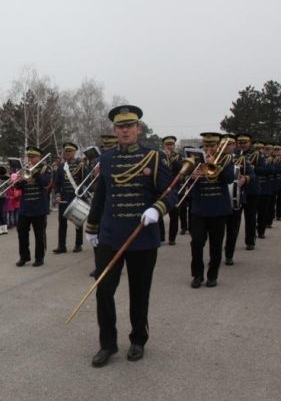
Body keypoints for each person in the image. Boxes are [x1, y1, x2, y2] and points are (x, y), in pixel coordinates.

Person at [84, 105, 177, 367]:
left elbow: (170, 193)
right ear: (115, 130)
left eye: (130, 126)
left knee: (139, 292)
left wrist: (157, 209)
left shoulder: (155, 158)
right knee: (103, 291)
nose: (125, 130)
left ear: (138, 128)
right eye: (120, 127)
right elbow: (101, 196)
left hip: (142, 237)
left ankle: (138, 339)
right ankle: (107, 344)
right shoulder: (107, 159)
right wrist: (92, 227)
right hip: (111, 236)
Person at [187, 133, 235, 288]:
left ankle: (212, 275)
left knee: (215, 245)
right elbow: (185, 180)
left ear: (218, 146)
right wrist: (192, 176)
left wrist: (213, 164)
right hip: (199, 209)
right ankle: (197, 275)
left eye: (212, 146)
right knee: (196, 243)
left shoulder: (226, 159)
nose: (209, 149)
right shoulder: (196, 160)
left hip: (218, 209)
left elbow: (228, 179)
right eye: (206, 146)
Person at [15, 146, 52, 267]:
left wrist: (35, 172)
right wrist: (18, 182)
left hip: (39, 207)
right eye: (28, 157)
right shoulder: (24, 169)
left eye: (32, 157)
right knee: (21, 233)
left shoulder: (45, 169)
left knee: (39, 234)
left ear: (39, 157)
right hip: (25, 207)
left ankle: (39, 258)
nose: (30, 159)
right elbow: (19, 188)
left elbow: (45, 183)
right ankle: (24, 256)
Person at [224, 134, 254, 266]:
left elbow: (252, 174)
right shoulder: (213, 159)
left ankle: (229, 254)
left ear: (234, 145)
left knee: (233, 228)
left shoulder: (241, 159)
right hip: (220, 198)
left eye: (230, 143)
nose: (228, 146)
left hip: (235, 197)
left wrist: (245, 179)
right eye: (224, 143)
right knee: (216, 231)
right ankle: (215, 254)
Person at [53, 142, 84, 254]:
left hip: (76, 196)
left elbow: (85, 180)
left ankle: (78, 244)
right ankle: (62, 246)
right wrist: (57, 194)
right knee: (62, 223)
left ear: (74, 152)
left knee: (77, 222)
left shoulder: (80, 165)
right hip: (64, 197)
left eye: (69, 151)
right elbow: (57, 183)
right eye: (66, 151)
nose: (67, 153)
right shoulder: (62, 167)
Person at [236, 134, 262, 250]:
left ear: (249, 143)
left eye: (244, 142)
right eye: (240, 143)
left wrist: (250, 171)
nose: (242, 145)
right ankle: (231, 242)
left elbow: (262, 169)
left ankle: (250, 241)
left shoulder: (256, 154)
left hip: (251, 189)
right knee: (234, 219)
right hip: (237, 190)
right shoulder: (233, 155)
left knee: (250, 217)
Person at [158, 137, 182, 246]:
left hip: (174, 188)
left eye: (171, 144)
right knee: (159, 212)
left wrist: (171, 159)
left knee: (174, 213)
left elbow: (180, 169)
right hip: (162, 188)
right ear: (164, 145)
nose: (169, 146)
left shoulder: (178, 157)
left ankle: (172, 238)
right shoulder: (159, 156)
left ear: (174, 145)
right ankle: (160, 236)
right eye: (167, 144)